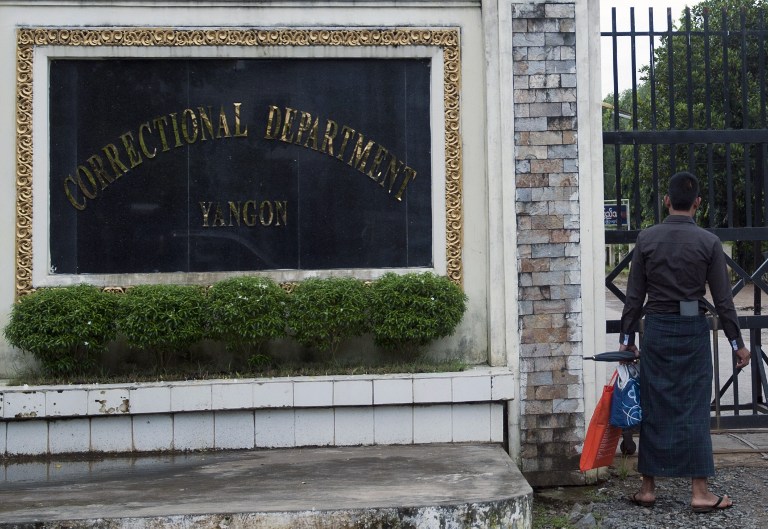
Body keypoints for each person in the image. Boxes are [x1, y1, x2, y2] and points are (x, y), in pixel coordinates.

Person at [618, 171, 751, 513]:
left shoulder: (646, 239)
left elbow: (634, 298)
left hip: (658, 330)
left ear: (666, 201)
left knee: (655, 404)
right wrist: (737, 344)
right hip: (692, 330)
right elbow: (723, 301)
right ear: (697, 204)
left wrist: (626, 339)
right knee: (693, 409)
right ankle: (700, 492)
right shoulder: (708, 243)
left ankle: (647, 488)